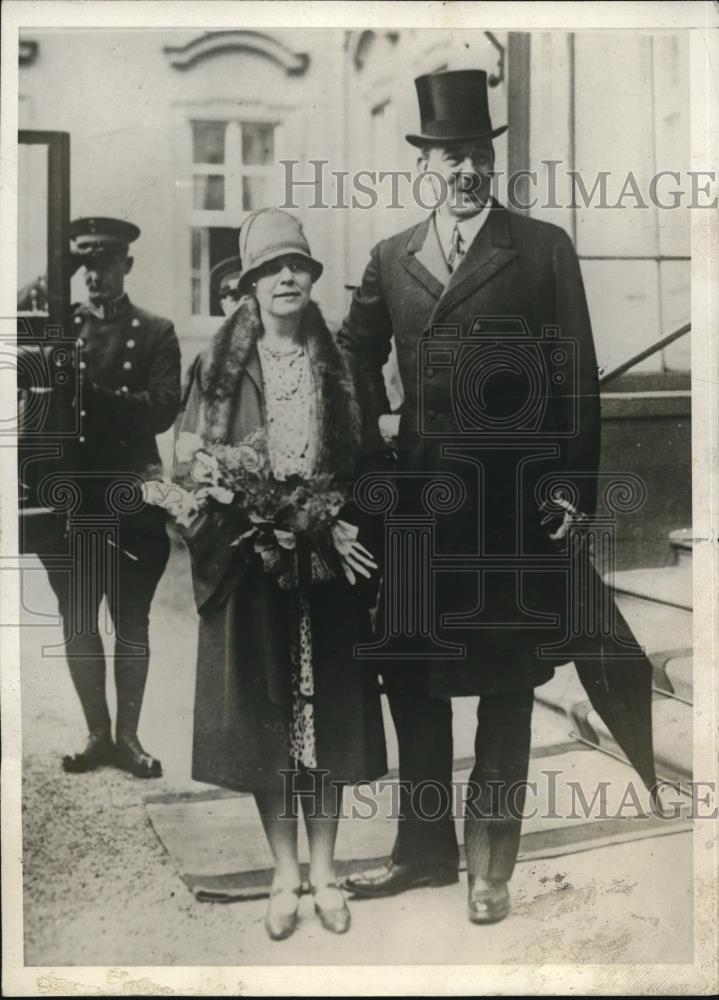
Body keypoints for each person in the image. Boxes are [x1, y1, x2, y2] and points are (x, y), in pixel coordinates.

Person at [339, 70, 658, 924]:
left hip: (509, 510)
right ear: (424, 165)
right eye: (449, 156)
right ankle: (421, 850)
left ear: (493, 161)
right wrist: (371, 444)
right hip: (417, 511)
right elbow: (350, 354)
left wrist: (571, 489)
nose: (466, 170)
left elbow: (574, 374)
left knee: (506, 685)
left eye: (478, 153)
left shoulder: (542, 248)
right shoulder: (392, 256)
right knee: (413, 681)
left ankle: (490, 864)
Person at [175, 208, 387, 941]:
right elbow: (193, 468)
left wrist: (343, 521)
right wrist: (248, 509)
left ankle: (325, 872)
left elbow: (370, 467)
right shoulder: (218, 368)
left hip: (327, 569)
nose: (285, 278)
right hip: (252, 566)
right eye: (270, 270)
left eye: (296, 265)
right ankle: (284, 873)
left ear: (311, 277)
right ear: (250, 286)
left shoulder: (343, 366)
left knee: (327, 719)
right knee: (269, 722)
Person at [40, 217, 181, 778]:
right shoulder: (60, 328)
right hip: (72, 496)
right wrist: (57, 270)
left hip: (129, 494)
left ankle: (129, 738)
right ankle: (97, 734)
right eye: (83, 264)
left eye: (103, 263)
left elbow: (161, 409)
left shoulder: (157, 331)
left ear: (127, 264)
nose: (93, 275)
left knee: (131, 620)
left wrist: (90, 394)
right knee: (78, 618)